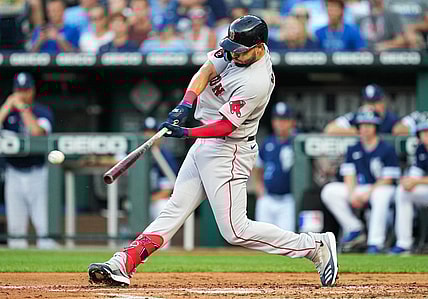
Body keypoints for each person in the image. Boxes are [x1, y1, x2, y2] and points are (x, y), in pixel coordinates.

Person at [88, 15, 338, 287]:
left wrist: (186, 132)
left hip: (229, 150)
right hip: (206, 143)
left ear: (259, 47)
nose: (233, 55)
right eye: (231, 48)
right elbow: (205, 71)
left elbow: (225, 126)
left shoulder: (256, 81)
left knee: (235, 231)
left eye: (240, 52)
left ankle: (315, 245)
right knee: (174, 209)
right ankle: (124, 262)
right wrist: (184, 105)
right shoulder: (236, 49)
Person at [321, 111, 400, 253]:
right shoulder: (353, 148)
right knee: (330, 191)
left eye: (369, 125)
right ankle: (354, 228)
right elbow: (349, 175)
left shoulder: (386, 148)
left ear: (376, 127)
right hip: (360, 188)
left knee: (381, 195)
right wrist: (352, 194)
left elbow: (388, 179)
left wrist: (367, 194)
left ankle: (375, 242)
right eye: (362, 125)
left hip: (381, 189)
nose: (365, 128)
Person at [0, 73, 57, 249]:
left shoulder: (42, 111)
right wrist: (7, 106)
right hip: (13, 172)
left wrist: (24, 109)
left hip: (37, 172)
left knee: (44, 227)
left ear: (32, 90)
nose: (22, 94)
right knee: (16, 231)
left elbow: (37, 133)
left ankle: (49, 271)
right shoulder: (7, 111)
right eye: (19, 90)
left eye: (25, 90)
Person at [254, 102, 297, 232]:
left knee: (287, 239)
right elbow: (257, 167)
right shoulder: (268, 142)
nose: (280, 123)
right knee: (261, 238)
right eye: (278, 119)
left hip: (288, 199)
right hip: (267, 198)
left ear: (291, 122)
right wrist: (259, 189)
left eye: (284, 119)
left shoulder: (296, 141)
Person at [391, 121, 428, 255]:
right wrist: (408, 182)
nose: (426, 136)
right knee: (403, 191)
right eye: (424, 133)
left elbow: (417, 180)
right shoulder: (421, 149)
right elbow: (414, 174)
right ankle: (404, 243)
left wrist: (416, 181)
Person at [324, 84, 399, 136]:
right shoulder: (357, 116)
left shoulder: (391, 118)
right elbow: (330, 129)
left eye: (375, 102)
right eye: (368, 102)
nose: (371, 106)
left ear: (383, 102)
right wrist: (358, 131)